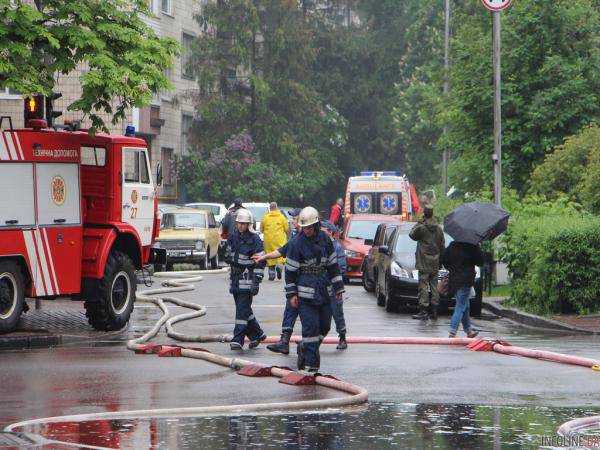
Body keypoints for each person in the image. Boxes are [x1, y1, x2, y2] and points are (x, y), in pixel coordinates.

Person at [285, 206, 345, 374]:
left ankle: (305, 347)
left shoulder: (325, 240)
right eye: (304, 228)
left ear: (316, 225)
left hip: (324, 289)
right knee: (310, 329)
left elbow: (333, 265)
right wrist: (292, 294)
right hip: (305, 293)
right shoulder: (296, 243)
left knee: (325, 326)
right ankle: (312, 366)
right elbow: (290, 272)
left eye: (310, 227)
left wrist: (338, 287)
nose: (307, 231)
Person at [252, 209, 302, 355]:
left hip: (309, 284)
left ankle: (307, 344)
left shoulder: (311, 239)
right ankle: (285, 342)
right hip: (296, 283)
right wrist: (263, 257)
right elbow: (282, 250)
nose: (292, 221)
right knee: (290, 310)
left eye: (294, 219)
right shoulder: (296, 238)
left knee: (308, 316)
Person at [224, 208, 267, 350]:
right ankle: (257, 334)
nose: (241, 226)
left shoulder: (255, 240)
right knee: (244, 310)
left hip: (247, 279)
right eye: (239, 223)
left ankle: (238, 339)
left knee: (241, 311)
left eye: (244, 224)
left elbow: (261, 261)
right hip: (235, 278)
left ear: (249, 224)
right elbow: (228, 253)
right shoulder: (233, 236)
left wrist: (257, 281)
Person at [409, 204, 445, 321]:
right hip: (435, 261)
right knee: (434, 286)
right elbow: (442, 245)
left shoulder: (422, 227)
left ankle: (423, 310)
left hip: (424, 262)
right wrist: (441, 260)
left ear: (425, 213)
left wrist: (419, 222)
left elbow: (411, 234)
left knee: (423, 286)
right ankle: (434, 310)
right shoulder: (439, 228)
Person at [441, 241, 483, 338]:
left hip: (454, 280)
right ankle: (452, 331)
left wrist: (452, 268)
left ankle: (468, 331)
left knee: (465, 305)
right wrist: (479, 249)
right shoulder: (472, 245)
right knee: (461, 305)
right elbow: (480, 262)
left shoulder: (453, 245)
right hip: (466, 280)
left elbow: (443, 259)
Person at [322, 220, 348, 350]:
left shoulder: (337, 247)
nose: (321, 232)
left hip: (333, 286)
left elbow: (342, 267)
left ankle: (342, 337)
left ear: (330, 232)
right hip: (319, 287)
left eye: (324, 230)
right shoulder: (317, 245)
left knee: (337, 312)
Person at [260, 202, 289, 281]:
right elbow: (287, 229)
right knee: (280, 253)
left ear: (270, 208)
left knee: (269, 255)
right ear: (277, 208)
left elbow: (261, 230)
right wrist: (287, 236)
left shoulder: (265, 217)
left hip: (268, 240)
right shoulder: (282, 217)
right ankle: (279, 266)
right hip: (280, 240)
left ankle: (271, 273)